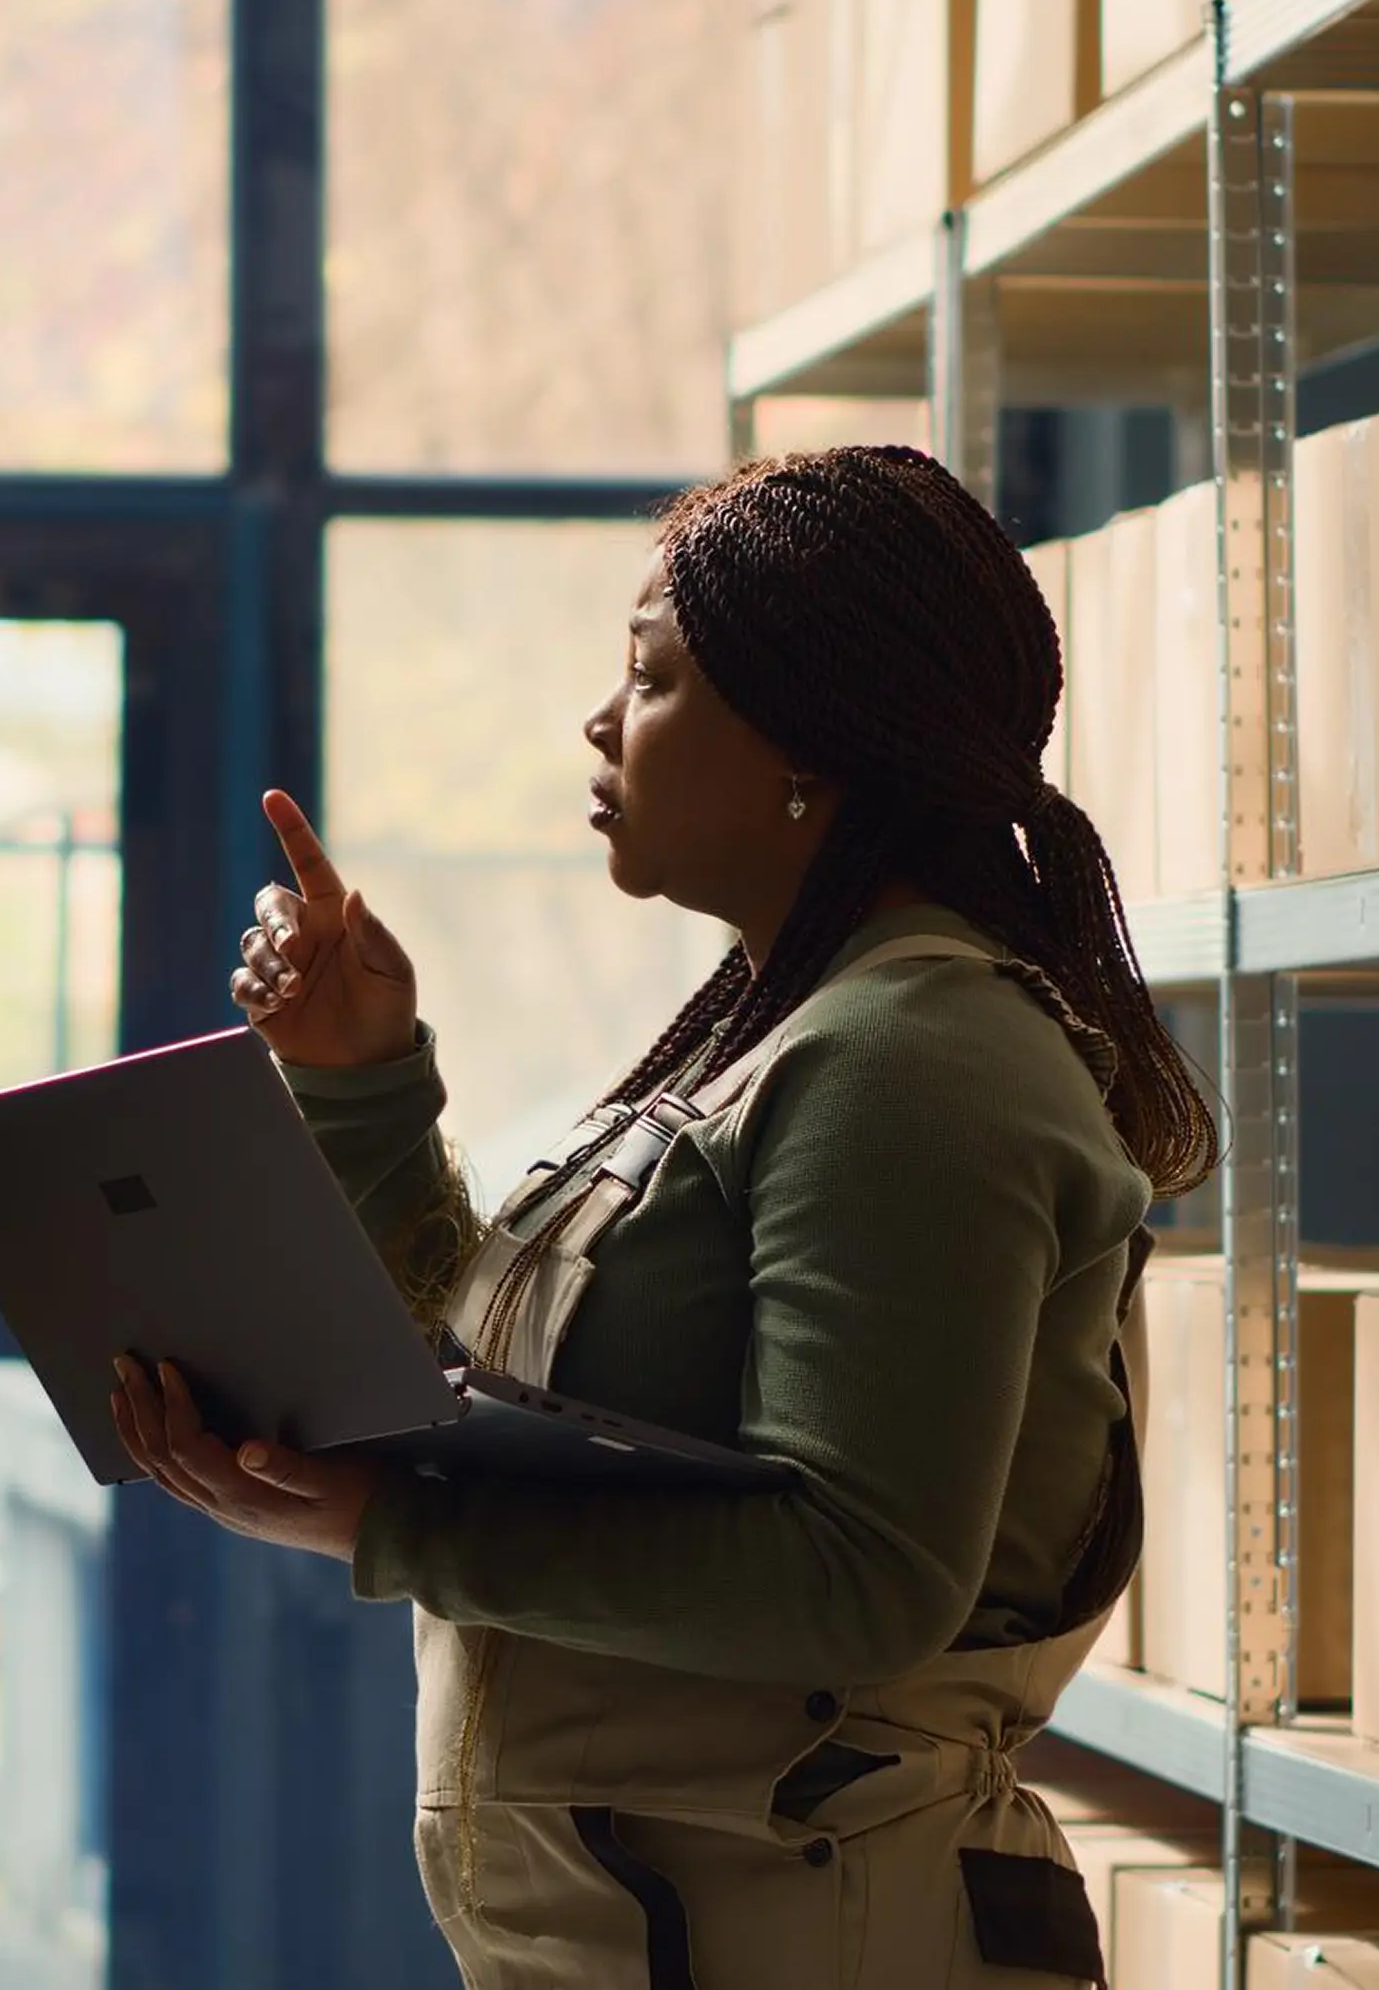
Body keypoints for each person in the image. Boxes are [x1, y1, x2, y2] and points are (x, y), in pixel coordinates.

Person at [111, 445, 1214, 1988]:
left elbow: (863, 1581)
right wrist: (364, 1084)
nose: (601, 718)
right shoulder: (783, 1039)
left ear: (812, 741)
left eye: (654, 676)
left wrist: (390, 1523)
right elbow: (497, 1378)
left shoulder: (910, 1060)